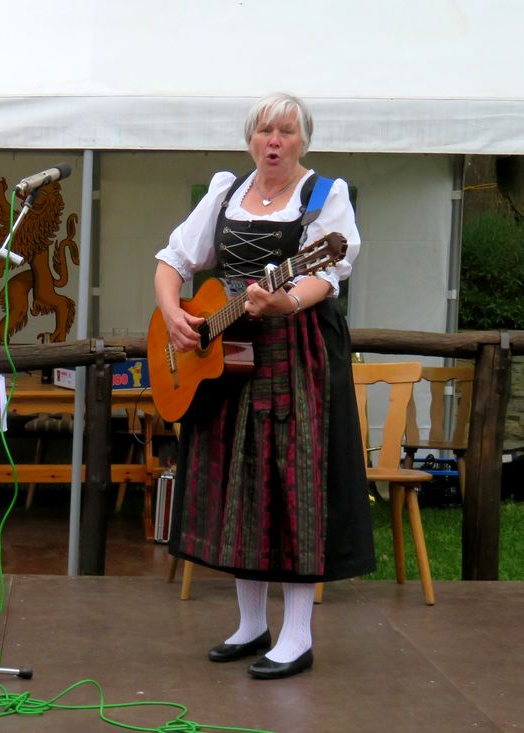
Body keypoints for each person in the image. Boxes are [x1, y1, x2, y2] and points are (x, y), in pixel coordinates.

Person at [154, 92, 375, 680]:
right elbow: (174, 260)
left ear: (304, 141)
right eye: (264, 130)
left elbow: (328, 273)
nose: (274, 141)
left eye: (286, 131)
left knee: (294, 484)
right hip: (228, 359)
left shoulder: (324, 196)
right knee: (240, 481)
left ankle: (298, 635)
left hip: (297, 355)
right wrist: (173, 313)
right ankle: (251, 624)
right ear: (250, 139)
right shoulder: (225, 192)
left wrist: (286, 301)